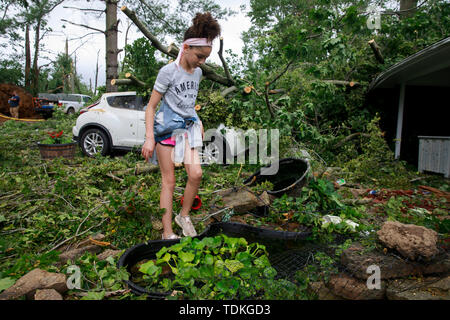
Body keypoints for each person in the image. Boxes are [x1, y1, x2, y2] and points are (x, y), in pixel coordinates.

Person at [141, 12, 221, 240]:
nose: (202, 62)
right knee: (169, 181)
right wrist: (149, 138)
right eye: (199, 56)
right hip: (167, 130)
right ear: (185, 48)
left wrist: (199, 120)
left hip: (188, 128)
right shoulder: (168, 72)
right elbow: (151, 107)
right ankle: (167, 233)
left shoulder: (197, 73)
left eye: (205, 58)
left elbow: (188, 103)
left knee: (196, 174)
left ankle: (183, 216)